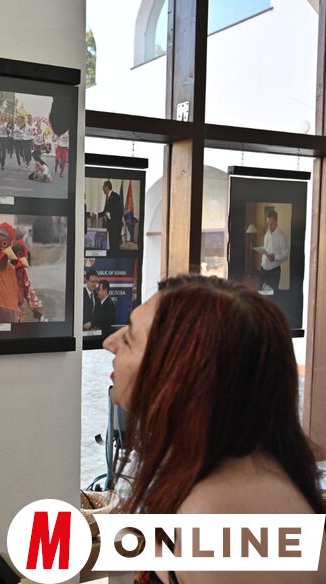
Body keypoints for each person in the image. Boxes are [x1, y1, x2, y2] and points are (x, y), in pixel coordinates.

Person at [104, 275, 325, 584]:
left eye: (129, 339)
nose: (109, 343)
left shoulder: (220, 513)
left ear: (182, 375)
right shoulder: (219, 475)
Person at [259, 209, 288, 292]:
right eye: (268, 224)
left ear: (276, 221)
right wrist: (261, 251)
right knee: (262, 293)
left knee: (271, 295)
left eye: (271, 224)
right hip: (263, 268)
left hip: (273, 271)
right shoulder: (267, 234)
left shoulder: (281, 236)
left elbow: (285, 255)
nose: (269, 226)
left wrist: (275, 257)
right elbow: (266, 248)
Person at [98, 180, 124, 253]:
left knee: (115, 245)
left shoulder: (115, 196)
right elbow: (105, 211)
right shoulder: (107, 197)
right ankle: (113, 256)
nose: (102, 189)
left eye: (103, 187)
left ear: (107, 187)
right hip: (111, 225)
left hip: (116, 225)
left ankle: (116, 257)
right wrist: (96, 214)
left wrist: (110, 215)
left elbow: (120, 210)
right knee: (112, 245)